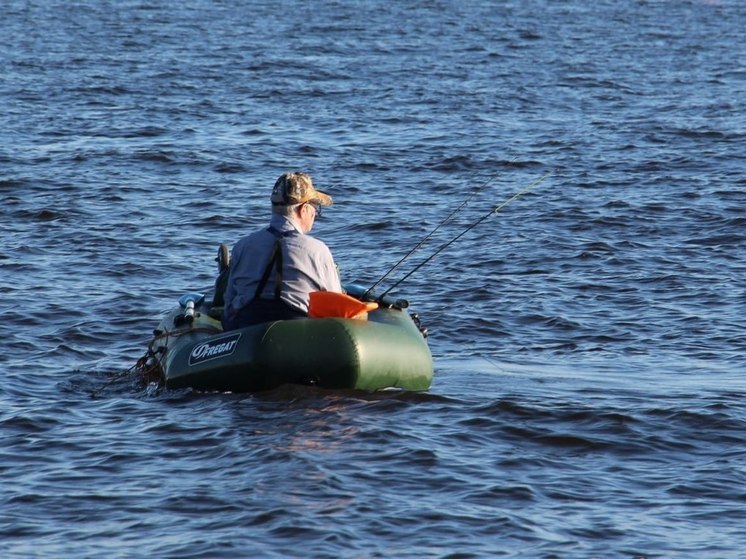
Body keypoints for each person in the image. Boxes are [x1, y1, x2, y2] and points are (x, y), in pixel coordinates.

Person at [221, 172, 342, 330]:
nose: (315, 214)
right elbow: (337, 306)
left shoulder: (242, 246)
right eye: (315, 208)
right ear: (303, 209)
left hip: (247, 330)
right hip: (299, 333)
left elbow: (229, 304)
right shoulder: (318, 250)